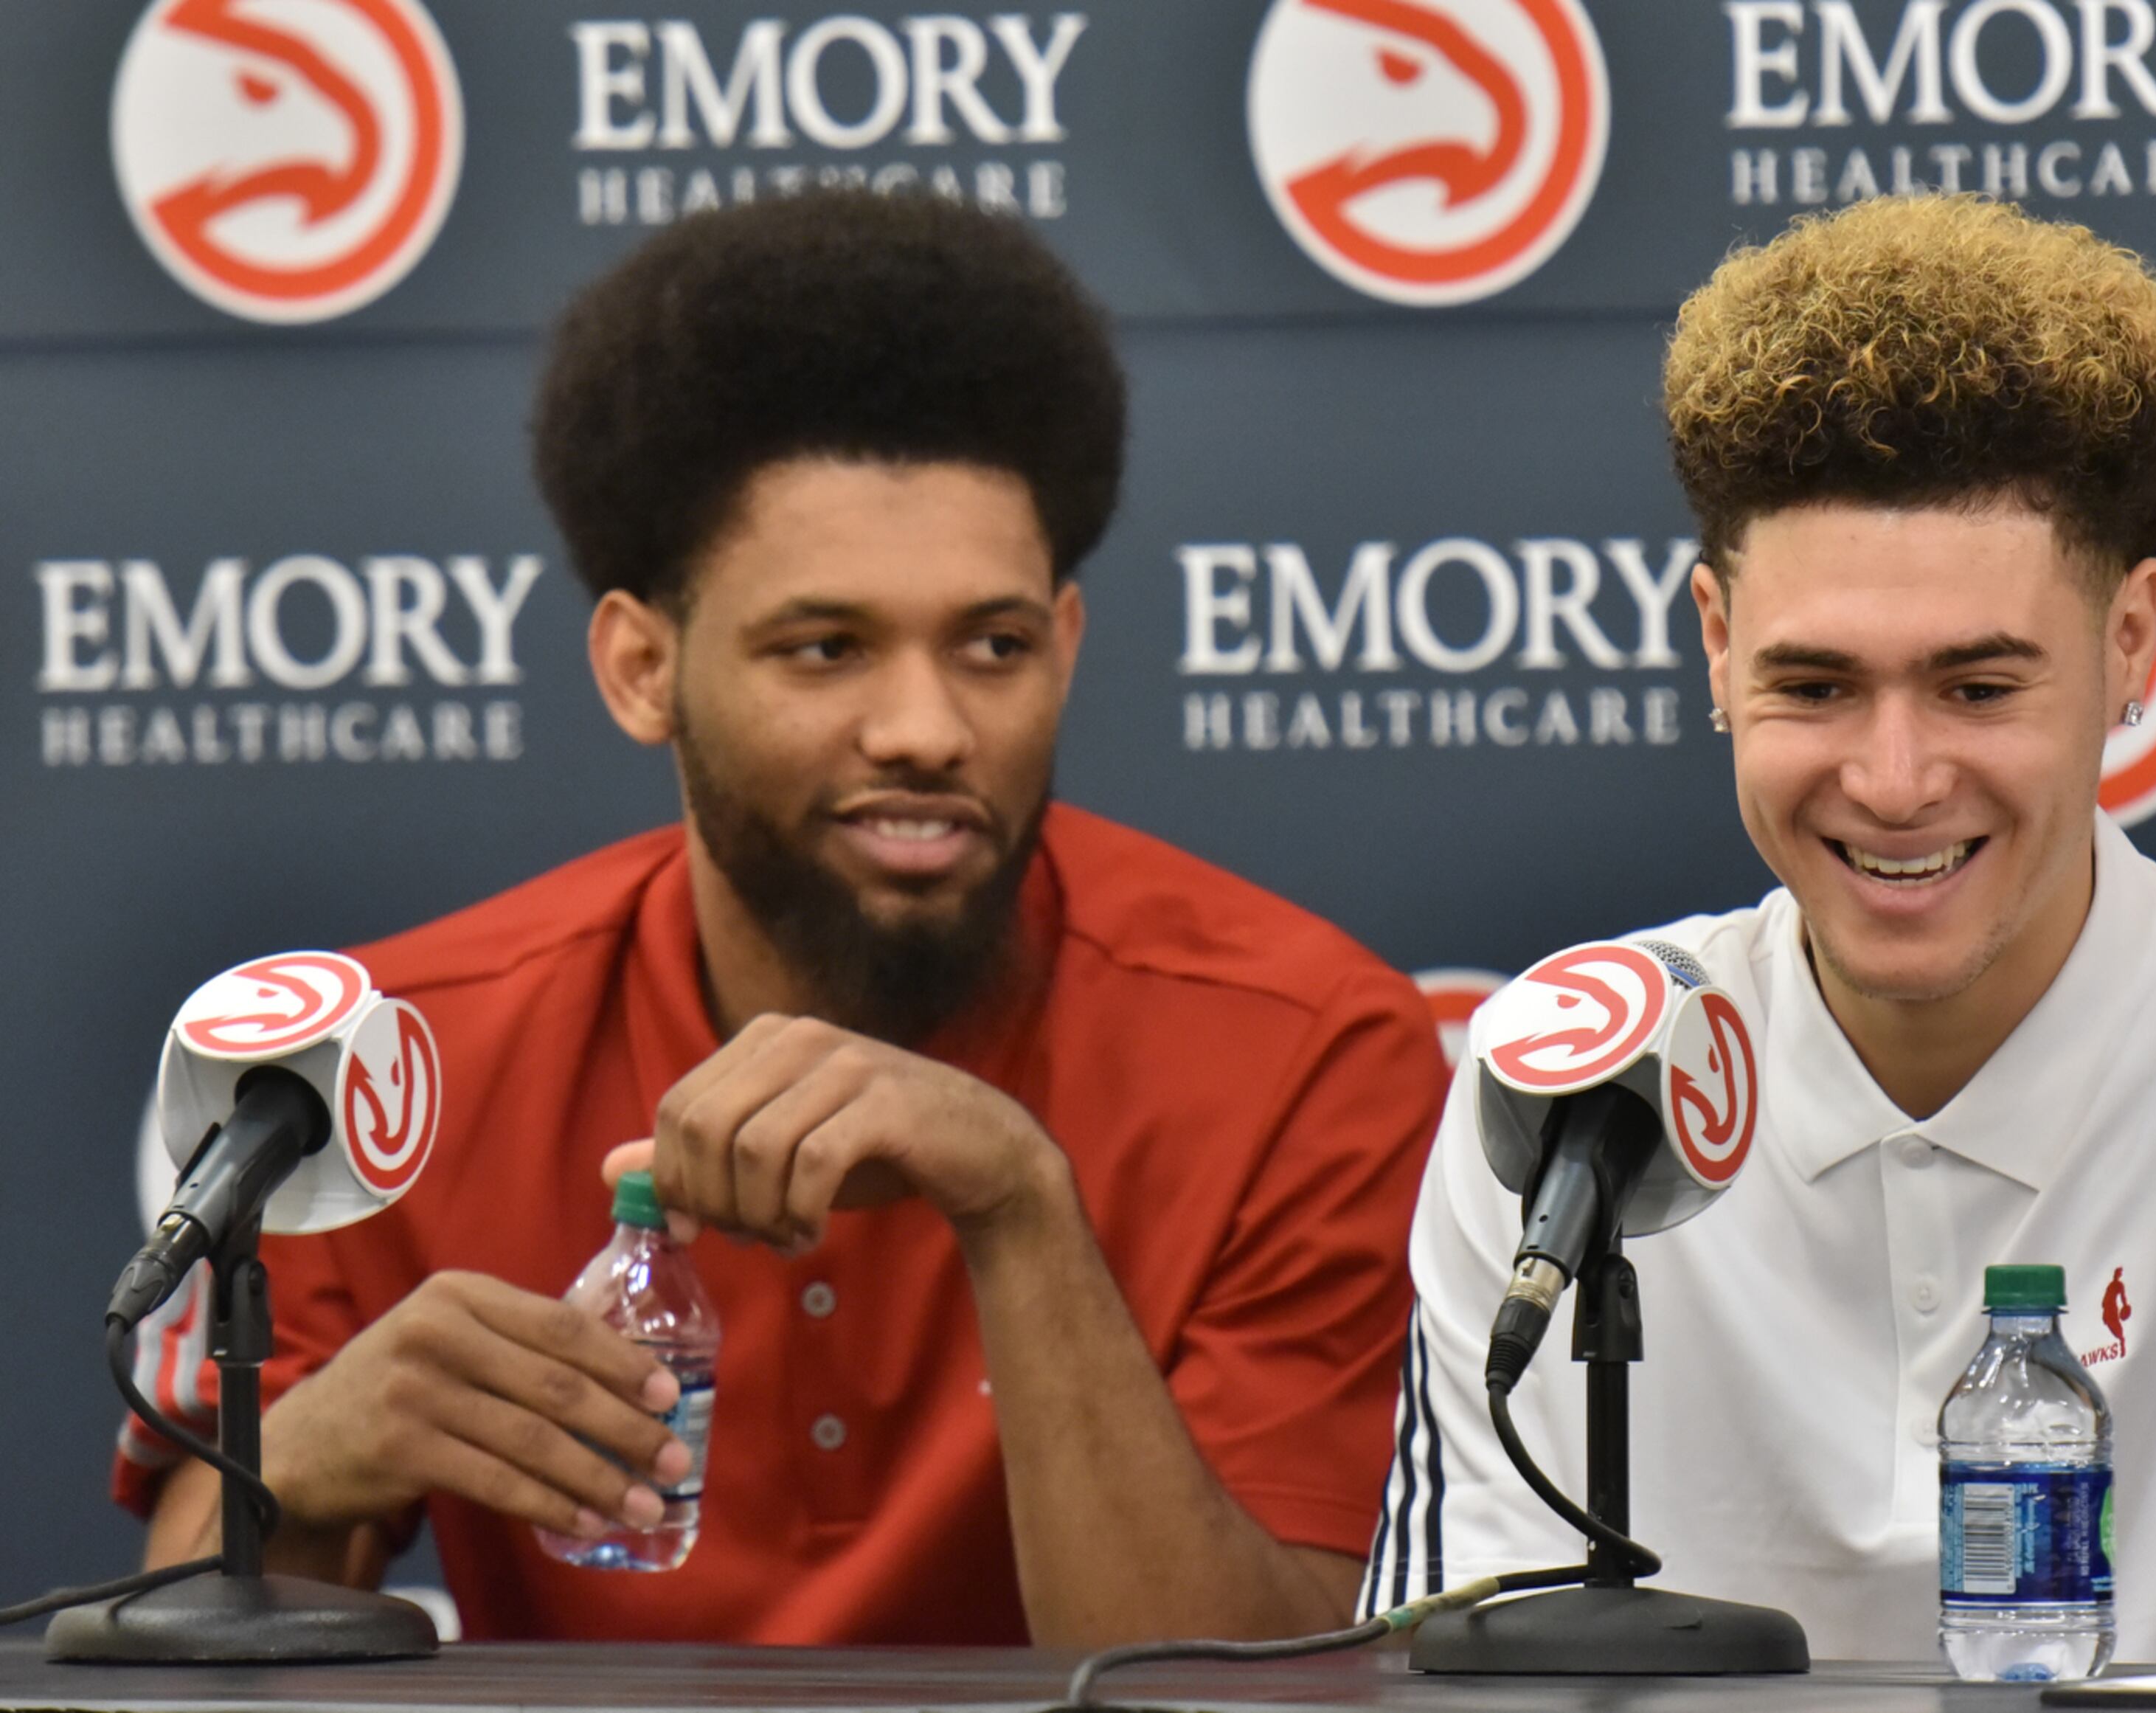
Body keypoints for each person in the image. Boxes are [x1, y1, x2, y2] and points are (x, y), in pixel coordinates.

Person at [119, 192, 1447, 1649]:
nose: (928, 728)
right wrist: (301, 1463)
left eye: (992, 646)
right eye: (826, 649)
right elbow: (170, 1652)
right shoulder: (393, 1066)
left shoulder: (1306, 1052)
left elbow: (1261, 1688)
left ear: (1064, 649)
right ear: (641, 669)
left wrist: (1019, 1203)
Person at [1366, 195, 2156, 1664]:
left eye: (1979, 689)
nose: (1896, 781)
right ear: (1716, 645)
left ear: (2131, 646)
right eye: (1816, 686)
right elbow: (1467, 1684)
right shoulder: (1569, 1080)